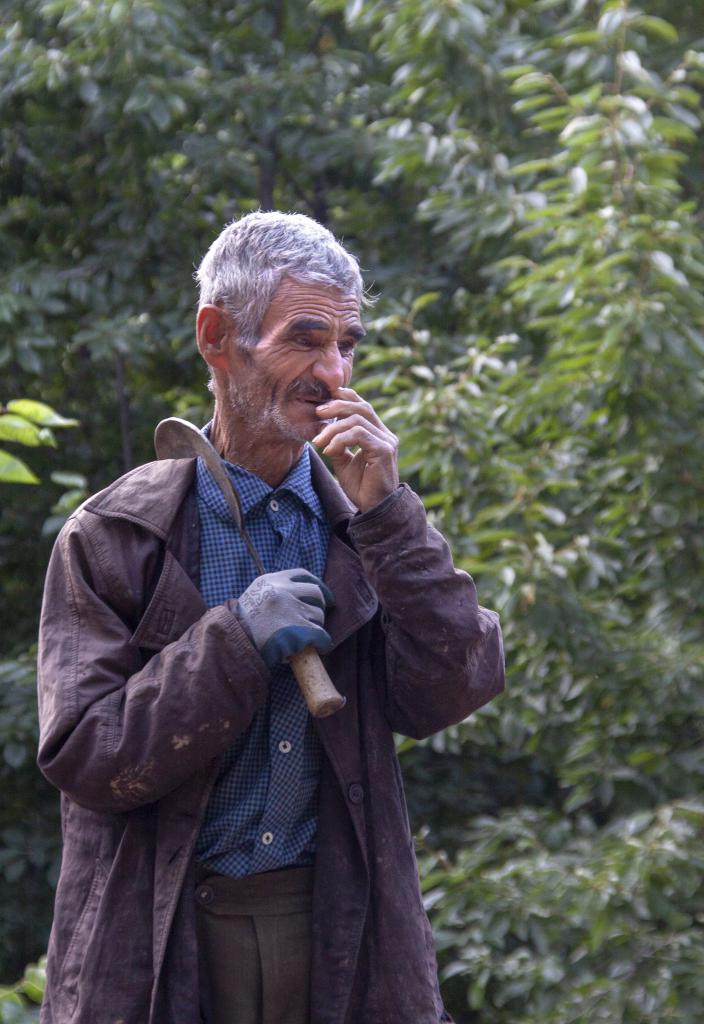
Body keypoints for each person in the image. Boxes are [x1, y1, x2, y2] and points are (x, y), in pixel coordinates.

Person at [37, 211, 505, 1024]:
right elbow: (86, 757)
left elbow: (452, 687)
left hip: (338, 936)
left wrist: (392, 515)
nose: (334, 372)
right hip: (163, 942)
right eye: (306, 339)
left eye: (348, 344)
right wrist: (232, 643)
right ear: (218, 338)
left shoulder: (364, 527)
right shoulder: (117, 537)